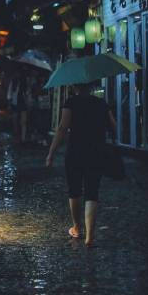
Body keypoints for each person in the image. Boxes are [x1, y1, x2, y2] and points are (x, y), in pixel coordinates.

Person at [46, 82, 117, 248]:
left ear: (75, 87)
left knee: (75, 190)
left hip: (75, 151)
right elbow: (113, 126)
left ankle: (77, 228)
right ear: (91, 86)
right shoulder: (101, 103)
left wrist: (51, 153)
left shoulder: (71, 103)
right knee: (92, 191)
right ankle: (90, 237)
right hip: (96, 151)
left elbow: (62, 128)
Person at [7, 73, 30, 143]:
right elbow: (9, 93)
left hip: (22, 103)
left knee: (23, 121)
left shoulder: (25, 82)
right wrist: (10, 103)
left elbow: (27, 93)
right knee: (16, 121)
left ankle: (22, 138)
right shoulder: (13, 82)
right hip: (16, 103)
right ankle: (17, 136)